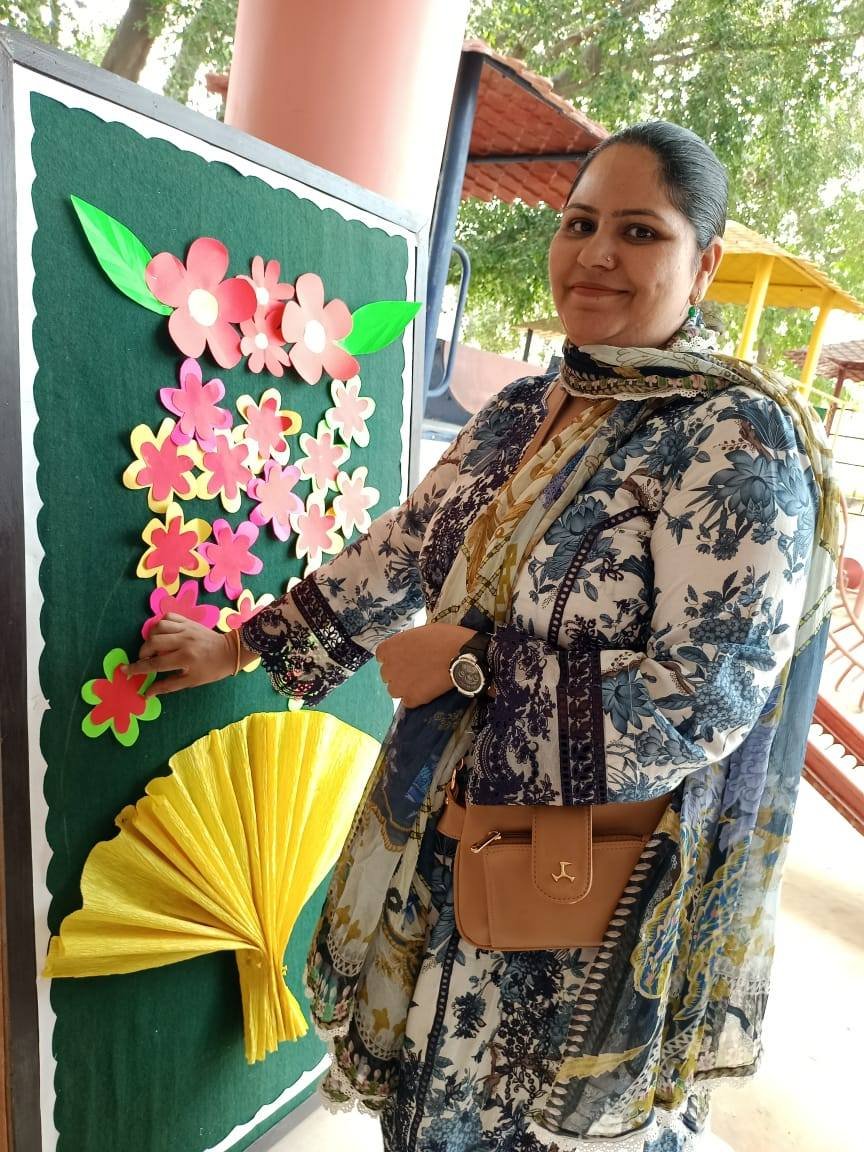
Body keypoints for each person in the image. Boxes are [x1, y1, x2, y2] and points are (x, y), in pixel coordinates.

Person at [129, 122, 837, 1151]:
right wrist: (243, 646)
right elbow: (403, 547)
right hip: (439, 835)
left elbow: (707, 699)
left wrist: (473, 666)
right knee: (422, 1108)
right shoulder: (523, 407)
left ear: (704, 262)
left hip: (573, 893)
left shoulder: (730, 437)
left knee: (520, 1125)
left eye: (640, 231)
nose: (596, 254)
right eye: (580, 224)